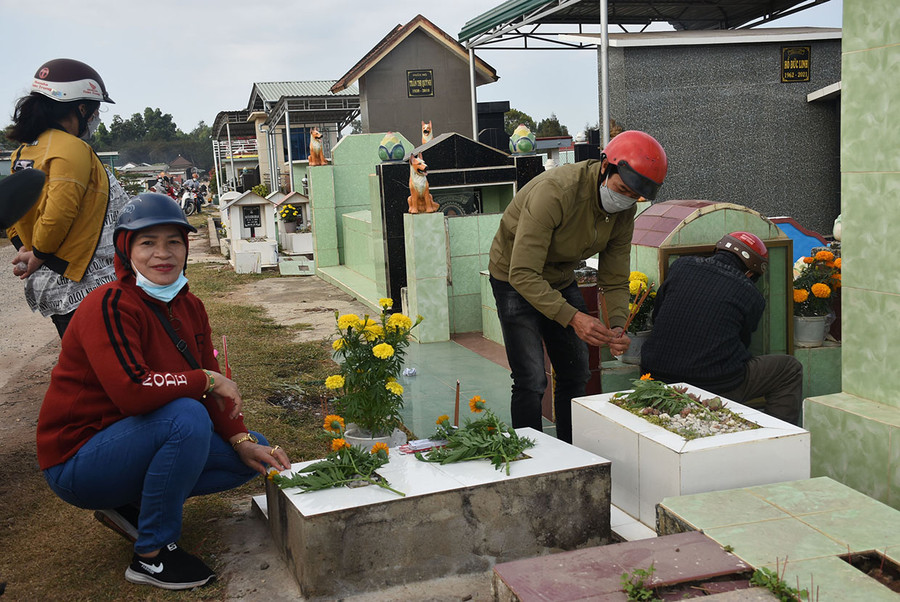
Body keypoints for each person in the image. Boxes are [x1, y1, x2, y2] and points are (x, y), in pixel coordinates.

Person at [36, 193, 291, 590]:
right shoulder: (109, 304)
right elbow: (133, 392)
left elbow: (211, 392)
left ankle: (132, 506)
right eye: (147, 243)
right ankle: (151, 555)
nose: (163, 253)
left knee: (250, 453)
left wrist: (240, 438)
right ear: (126, 249)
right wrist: (206, 379)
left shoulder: (190, 306)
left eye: (174, 241)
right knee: (185, 418)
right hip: (78, 460)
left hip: (134, 438)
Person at [488, 130, 668, 443]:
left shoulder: (624, 211)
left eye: (634, 196)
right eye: (621, 189)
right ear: (605, 167)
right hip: (513, 275)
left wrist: (617, 326)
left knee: (576, 372)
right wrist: (573, 317)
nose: (625, 200)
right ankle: (532, 457)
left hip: (559, 276)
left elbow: (614, 277)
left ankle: (571, 451)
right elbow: (523, 273)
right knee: (531, 378)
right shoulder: (556, 193)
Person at [640, 231, 803, 425]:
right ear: (751, 273)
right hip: (714, 386)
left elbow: (657, 315)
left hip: (654, 377)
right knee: (789, 369)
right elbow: (743, 341)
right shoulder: (751, 294)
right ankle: (780, 433)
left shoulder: (681, 265)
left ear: (718, 250)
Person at [6, 58, 118, 337]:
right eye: (95, 109)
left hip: (53, 285)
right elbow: (59, 213)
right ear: (81, 108)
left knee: (77, 352)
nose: (96, 117)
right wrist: (38, 254)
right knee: (102, 356)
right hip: (86, 284)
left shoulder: (24, 151)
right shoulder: (71, 148)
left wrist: (26, 249)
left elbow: (12, 212)